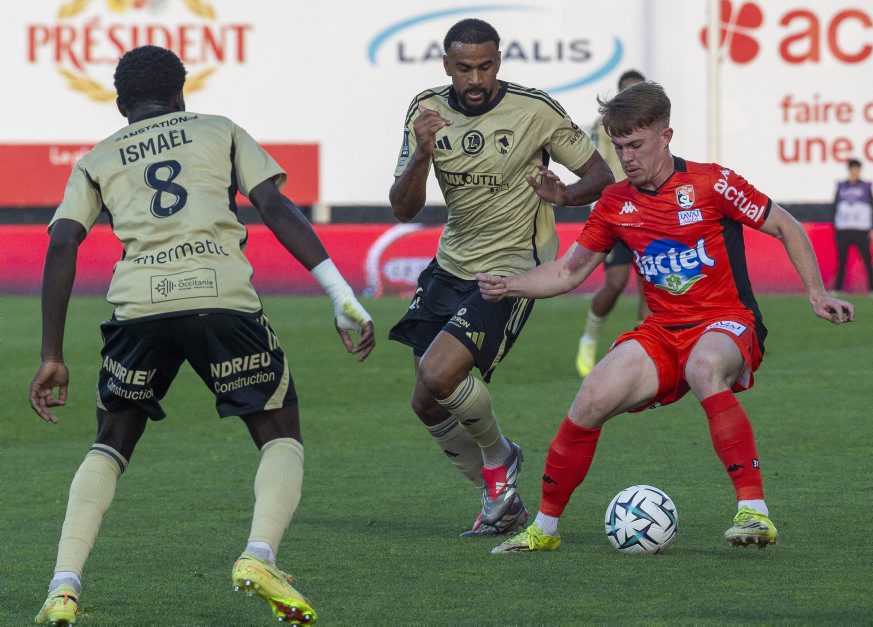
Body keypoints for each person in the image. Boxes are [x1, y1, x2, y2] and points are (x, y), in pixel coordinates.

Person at [28, 45, 374, 625]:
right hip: (220, 300)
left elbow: (62, 241)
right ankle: (259, 555)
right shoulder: (220, 130)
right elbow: (273, 205)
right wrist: (341, 296)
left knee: (111, 442)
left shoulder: (97, 158)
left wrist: (51, 354)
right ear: (181, 93)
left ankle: (63, 586)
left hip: (139, 308)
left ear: (121, 104)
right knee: (278, 431)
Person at [477, 81, 855, 553]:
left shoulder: (712, 183)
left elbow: (784, 223)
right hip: (662, 331)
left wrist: (816, 294)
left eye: (636, 145)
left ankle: (754, 513)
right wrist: (507, 285)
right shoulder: (615, 203)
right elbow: (567, 272)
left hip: (727, 320)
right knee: (590, 397)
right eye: (619, 147)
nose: (626, 157)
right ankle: (544, 530)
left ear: (666, 136)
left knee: (704, 366)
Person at [388, 18, 614, 537]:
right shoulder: (425, 111)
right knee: (425, 401)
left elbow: (600, 176)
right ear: (447, 66)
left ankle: (499, 455)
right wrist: (422, 152)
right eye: (464, 68)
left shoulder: (535, 110)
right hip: (451, 264)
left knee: (439, 375)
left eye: (485, 66)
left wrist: (565, 195)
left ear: (498, 62)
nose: (476, 79)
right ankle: (501, 501)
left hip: (511, 270)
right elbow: (403, 208)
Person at [576, 69, 651, 377]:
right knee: (615, 283)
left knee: (651, 284)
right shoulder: (604, 127)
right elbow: (596, 170)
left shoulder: (652, 127)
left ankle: (647, 353)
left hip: (649, 213)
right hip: (619, 214)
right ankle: (590, 336)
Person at [832, 158, 873, 293]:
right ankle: (838, 288)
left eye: (857, 169)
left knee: (867, 259)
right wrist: (835, 226)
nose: (855, 172)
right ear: (849, 170)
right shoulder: (841, 186)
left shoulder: (866, 187)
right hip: (843, 228)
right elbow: (835, 207)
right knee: (841, 260)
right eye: (853, 169)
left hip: (861, 229)